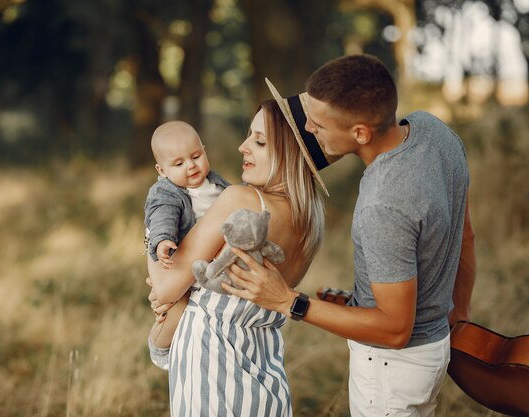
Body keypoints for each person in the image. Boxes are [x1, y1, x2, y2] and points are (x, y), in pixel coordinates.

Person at [224, 55, 476, 417]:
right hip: (434, 348)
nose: (307, 130)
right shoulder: (434, 132)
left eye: (318, 125)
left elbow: (395, 330)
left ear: (360, 132)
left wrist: (288, 301)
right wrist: (458, 315)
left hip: (391, 370)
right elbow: (464, 237)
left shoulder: (382, 203)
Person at [147, 98, 334, 416]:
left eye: (259, 141)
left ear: (288, 153)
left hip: (210, 360)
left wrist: (151, 233)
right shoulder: (309, 221)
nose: (242, 147)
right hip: (265, 361)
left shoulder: (239, 200)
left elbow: (164, 289)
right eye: (249, 135)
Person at [144, 120, 229, 370]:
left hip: (209, 260)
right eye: (179, 163)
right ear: (161, 170)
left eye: (196, 156)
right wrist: (162, 239)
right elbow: (161, 215)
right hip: (179, 258)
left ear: (204, 150)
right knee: (175, 306)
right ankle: (160, 347)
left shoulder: (216, 183)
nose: (191, 166)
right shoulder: (167, 193)